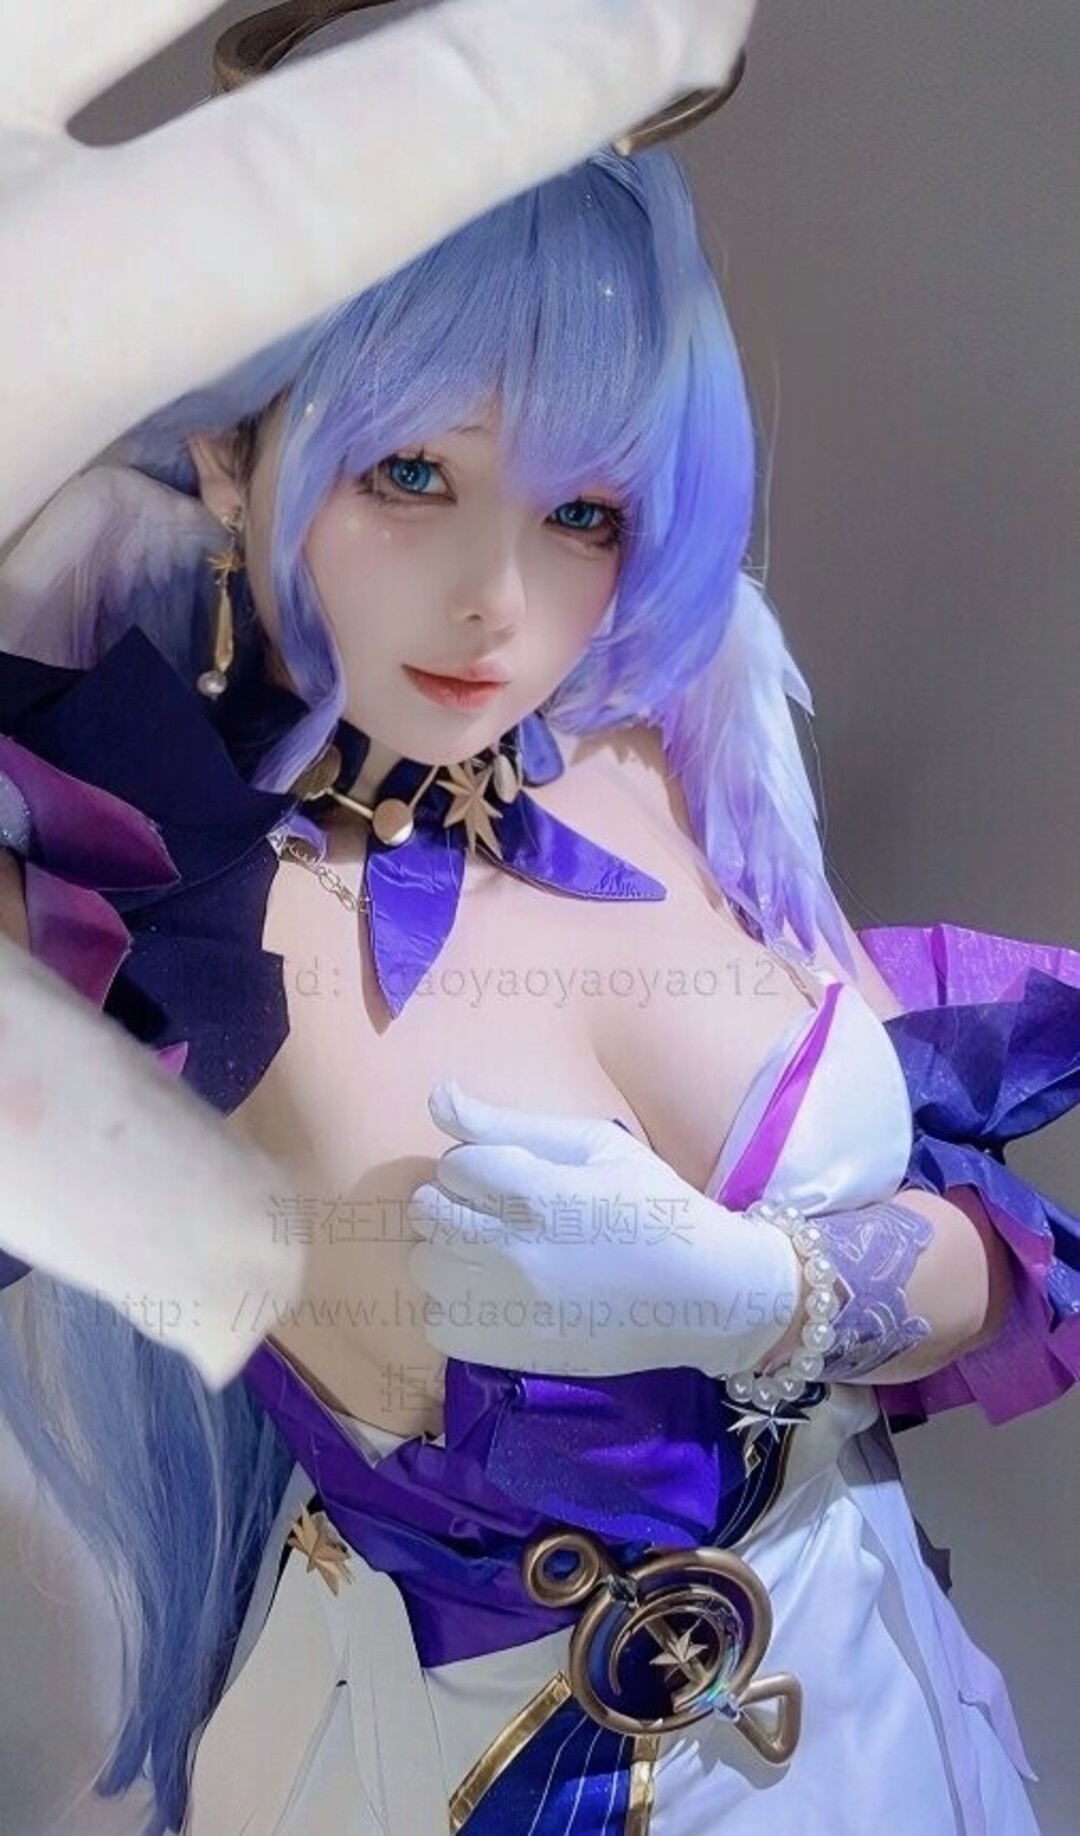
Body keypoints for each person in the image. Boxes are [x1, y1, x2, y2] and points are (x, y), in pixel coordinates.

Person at [2, 16, 1078, 1836]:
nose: (497, 599)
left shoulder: (669, 732)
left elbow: (1001, 1252)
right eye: (408, 474)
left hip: (886, 1722)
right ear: (231, 457)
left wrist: (763, 1292)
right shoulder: (126, 889)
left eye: (582, 507)